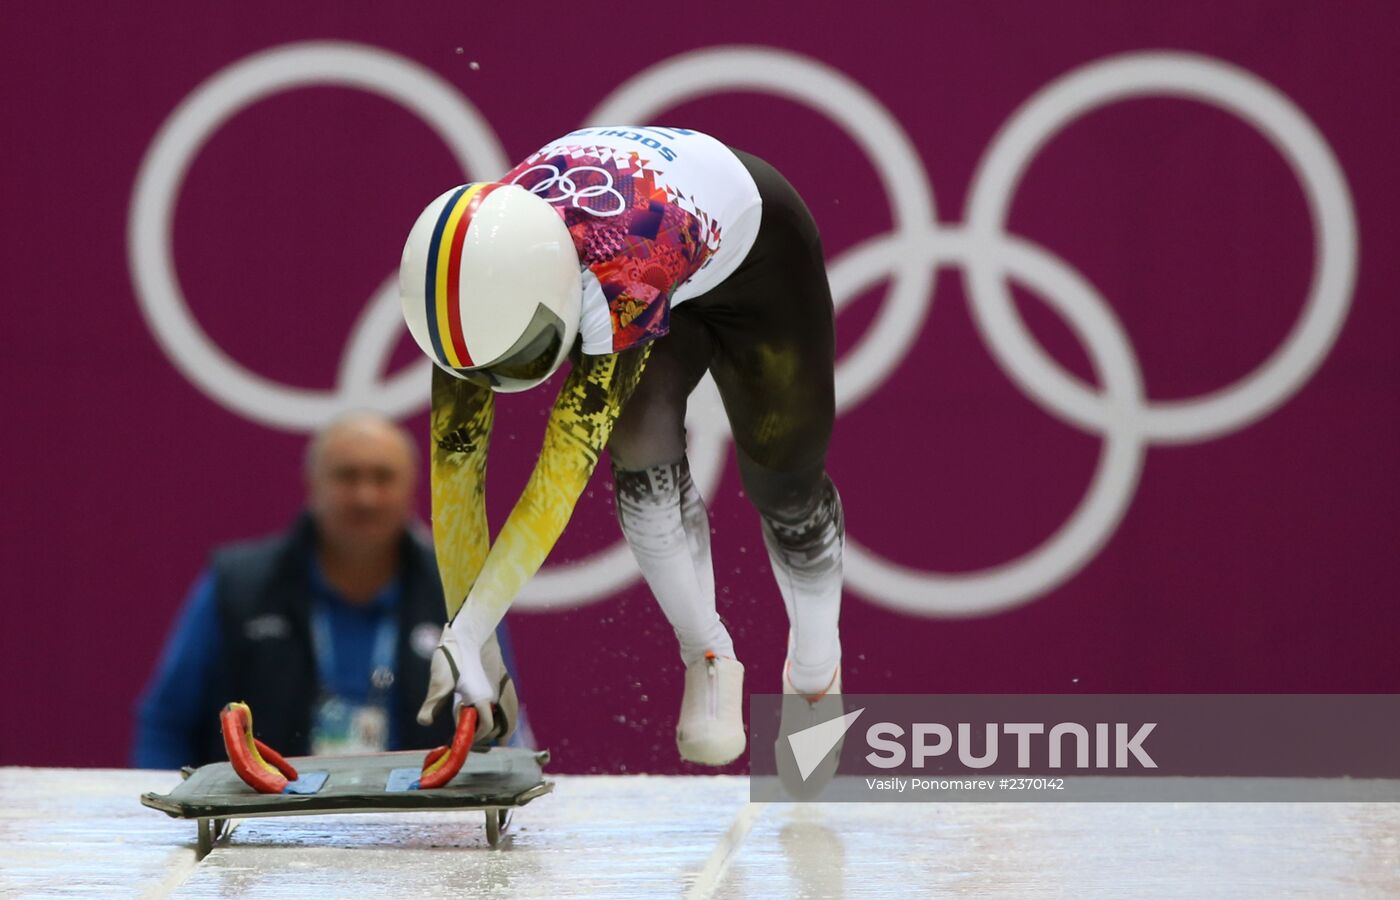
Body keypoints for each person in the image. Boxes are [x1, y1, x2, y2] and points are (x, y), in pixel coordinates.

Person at [402, 126, 844, 766]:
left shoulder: (623, 273)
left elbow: (561, 473)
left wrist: (466, 630)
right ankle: (708, 652)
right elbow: (455, 465)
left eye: (522, 354)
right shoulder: (463, 281)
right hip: (638, 245)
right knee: (640, 462)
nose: (500, 380)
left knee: (787, 490)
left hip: (757, 262)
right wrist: (476, 644)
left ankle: (815, 673)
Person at [132, 412, 525, 769]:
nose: (365, 496)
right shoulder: (237, 586)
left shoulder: (460, 597)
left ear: (413, 488)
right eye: (347, 476)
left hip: (421, 827)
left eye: (383, 477)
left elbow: (502, 726)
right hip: (263, 824)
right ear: (312, 485)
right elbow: (167, 722)